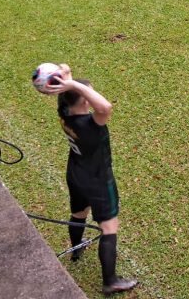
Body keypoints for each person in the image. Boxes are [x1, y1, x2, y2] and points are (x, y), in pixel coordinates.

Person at [45, 64, 138, 295]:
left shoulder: (64, 113)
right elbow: (105, 106)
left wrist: (66, 78)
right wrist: (74, 83)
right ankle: (110, 281)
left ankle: (76, 249)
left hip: (76, 174)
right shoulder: (91, 124)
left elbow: (71, 94)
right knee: (108, 227)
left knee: (79, 213)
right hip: (98, 179)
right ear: (86, 102)